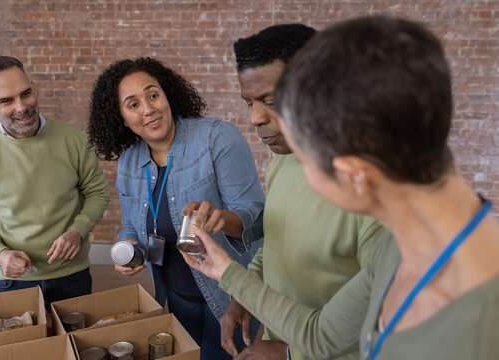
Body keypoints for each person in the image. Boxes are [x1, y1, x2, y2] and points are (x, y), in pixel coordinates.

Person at [182, 16, 499, 360]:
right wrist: (227, 273)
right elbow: (323, 336)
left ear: (353, 173)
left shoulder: (475, 323)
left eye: (307, 151)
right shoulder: (401, 243)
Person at [216, 24, 386, 360]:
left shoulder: (375, 195)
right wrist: (246, 295)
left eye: (271, 101)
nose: (255, 118)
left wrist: (291, 353)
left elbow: (383, 327)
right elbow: (277, 245)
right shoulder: (285, 158)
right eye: (249, 102)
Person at [87, 57, 264, 359]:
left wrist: (222, 218)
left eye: (153, 95)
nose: (148, 108)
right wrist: (129, 245)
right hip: (175, 295)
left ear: (167, 95)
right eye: (133, 104)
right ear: (121, 118)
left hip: (230, 295)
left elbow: (257, 217)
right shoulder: (130, 160)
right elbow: (132, 224)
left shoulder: (216, 138)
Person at [0, 56, 110, 312]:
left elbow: (97, 193)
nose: (21, 107)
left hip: (72, 275)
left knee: (75, 348)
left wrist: (78, 231)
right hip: (11, 280)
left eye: (25, 94)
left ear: (33, 87)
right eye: (6, 100)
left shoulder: (76, 141)